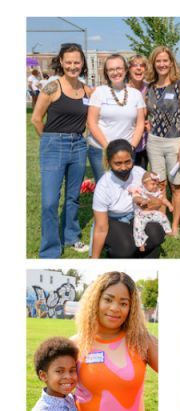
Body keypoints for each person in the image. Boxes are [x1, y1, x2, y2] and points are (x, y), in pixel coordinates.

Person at [71, 272, 159, 411]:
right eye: (108, 299)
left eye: (123, 303)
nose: (115, 308)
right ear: (95, 301)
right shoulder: (74, 345)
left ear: (131, 308)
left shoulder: (142, 342)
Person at [31, 43, 94, 258]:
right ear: (61, 62)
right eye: (68, 62)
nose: (73, 66)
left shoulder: (87, 90)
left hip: (78, 145)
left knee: (73, 197)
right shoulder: (51, 87)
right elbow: (36, 119)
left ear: (83, 63)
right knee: (50, 201)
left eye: (77, 62)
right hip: (53, 145)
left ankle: (71, 237)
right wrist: (50, 141)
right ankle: (49, 249)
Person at [145, 45, 180, 237]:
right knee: (160, 184)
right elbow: (147, 113)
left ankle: (175, 225)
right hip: (154, 142)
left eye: (165, 60)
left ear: (171, 62)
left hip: (175, 142)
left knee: (177, 185)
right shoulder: (149, 88)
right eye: (158, 61)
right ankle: (163, 223)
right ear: (154, 63)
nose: (162, 64)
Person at [91, 140, 166, 259]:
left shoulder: (140, 173)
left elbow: (157, 200)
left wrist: (156, 203)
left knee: (157, 233)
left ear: (132, 159)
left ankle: (142, 252)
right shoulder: (103, 186)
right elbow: (100, 227)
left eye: (127, 162)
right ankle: (120, 250)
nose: (124, 167)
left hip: (137, 215)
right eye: (118, 163)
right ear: (109, 162)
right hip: (114, 220)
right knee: (125, 247)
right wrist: (94, 258)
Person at [87, 54, 146, 183]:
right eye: (111, 69)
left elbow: (140, 124)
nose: (115, 72)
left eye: (119, 68)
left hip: (127, 152)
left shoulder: (135, 94)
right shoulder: (99, 92)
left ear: (125, 70)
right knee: (105, 187)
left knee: (126, 188)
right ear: (106, 73)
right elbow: (91, 122)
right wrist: (107, 148)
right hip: (100, 150)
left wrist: (131, 147)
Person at [26, 337, 80, 411]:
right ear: (43, 375)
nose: (68, 376)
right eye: (60, 371)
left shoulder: (71, 401)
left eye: (72, 370)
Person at [128, 172, 174, 251]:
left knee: (163, 217)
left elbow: (163, 199)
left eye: (156, 184)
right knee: (138, 228)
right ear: (144, 184)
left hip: (153, 213)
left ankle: (167, 230)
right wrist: (142, 200)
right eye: (153, 184)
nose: (155, 186)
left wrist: (169, 205)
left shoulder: (156, 192)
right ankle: (140, 243)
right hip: (141, 215)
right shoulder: (139, 190)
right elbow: (135, 198)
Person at [127, 54, 151, 169]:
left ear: (145, 69)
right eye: (134, 65)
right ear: (129, 69)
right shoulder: (123, 90)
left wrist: (151, 122)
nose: (138, 68)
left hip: (144, 144)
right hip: (127, 142)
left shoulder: (150, 88)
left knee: (141, 178)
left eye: (142, 65)